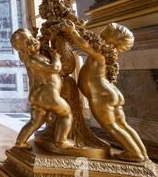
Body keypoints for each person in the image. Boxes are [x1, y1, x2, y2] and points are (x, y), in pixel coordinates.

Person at [62, 21, 149, 162]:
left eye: (107, 34)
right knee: (123, 124)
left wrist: (72, 31)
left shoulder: (100, 53)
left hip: (101, 96)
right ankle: (141, 153)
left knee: (111, 126)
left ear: (113, 40)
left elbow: (84, 45)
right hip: (111, 93)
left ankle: (134, 153)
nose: (101, 36)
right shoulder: (108, 55)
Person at [11, 28, 73, 150]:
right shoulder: (34, 59)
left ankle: (21, 142)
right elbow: (54, 69)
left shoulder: (28, 58)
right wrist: (56, 58)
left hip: (36, 95)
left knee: (34, 122)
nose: (34, 42)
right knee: (66, 114)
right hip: (48, 94)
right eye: (31, 40)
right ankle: (61, 141)